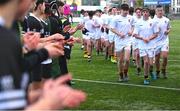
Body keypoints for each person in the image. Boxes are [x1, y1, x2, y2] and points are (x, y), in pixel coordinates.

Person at [0, 0, 86, 110]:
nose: (33, 5)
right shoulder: (6, 35)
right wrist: (48, 104)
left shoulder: (9, 31)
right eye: (33, 1)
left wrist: (37, 96)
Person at [107, 4, 133, 82]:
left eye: (127, 10)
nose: (126, 12)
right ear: (120, 10)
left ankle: (125, 72)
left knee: (127, 59)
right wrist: (119, 33)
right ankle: (121, 74)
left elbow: (134, 26)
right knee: (120, 60)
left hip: (128, 41)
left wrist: (131, 31)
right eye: (124, 10)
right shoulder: (116, 18)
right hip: (119, 41)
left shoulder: (131, 18)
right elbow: (112, 28)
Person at [133, 7, 159, 85]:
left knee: (151, 64)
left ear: (148, 13)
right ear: (141, 13)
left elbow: (156, 33)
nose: (145, 13)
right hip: (142, 45)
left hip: (151, 45)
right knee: (146, 62)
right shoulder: (138, 23)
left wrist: (149, 39)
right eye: (143, 12)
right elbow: (135, 34)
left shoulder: (153, 22)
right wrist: (142, 38)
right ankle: (146, 77)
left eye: (146, 12)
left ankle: (151, 71)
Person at [154, 5, 171, 79]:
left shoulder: (166, 20)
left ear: (163, 11)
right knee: (157, 58)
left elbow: (169, 28)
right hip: (156, 42)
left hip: (164, 41)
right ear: (156, 11)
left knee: (165, 57)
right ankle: (157, 71)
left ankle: (163, 70)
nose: (160, 12)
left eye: (161, 10)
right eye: (158, 10)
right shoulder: (153, 20)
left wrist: (168, 31)